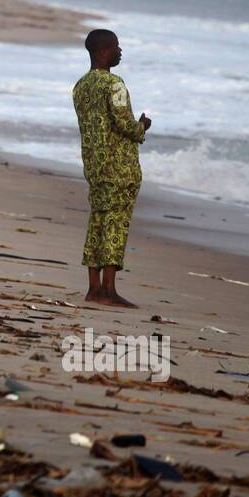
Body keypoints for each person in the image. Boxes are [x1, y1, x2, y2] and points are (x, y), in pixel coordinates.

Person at [71, 29, 151, 308]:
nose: (120, 51)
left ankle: (93, 289)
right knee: (115, 225)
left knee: (98, 223)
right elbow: (124, 124)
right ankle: (109, 290)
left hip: (94, 166)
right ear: (103, 51)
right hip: (119, 168)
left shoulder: (80, 86)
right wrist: (142, 127)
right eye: (117, 47)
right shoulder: (115, 84)